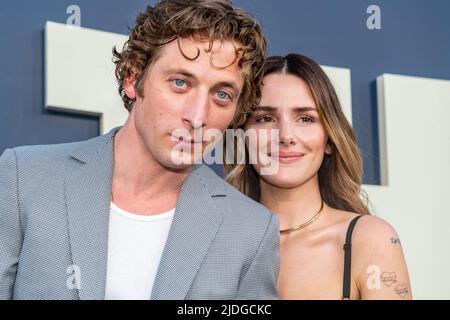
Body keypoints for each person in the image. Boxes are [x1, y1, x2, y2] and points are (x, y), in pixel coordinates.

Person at [0, 0, 280, 300]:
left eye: (222, 94)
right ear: (134, 78)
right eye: (180, 83)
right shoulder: (24, 179)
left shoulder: (251, 230)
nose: (199, 117)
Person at [224, 54, 412, 300]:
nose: (285, 135)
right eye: (265, 118)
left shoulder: (368, 240)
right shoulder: (219, 245)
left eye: (305, 118)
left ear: (329, 140)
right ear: (242, 138)